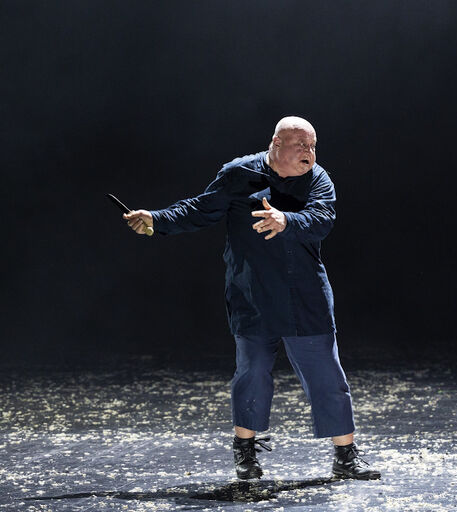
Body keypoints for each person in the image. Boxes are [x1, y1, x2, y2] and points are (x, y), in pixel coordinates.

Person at [123, 116, 380, 481]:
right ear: (276, 143)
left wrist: (286, 221)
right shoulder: (239, 174)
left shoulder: (319, 179)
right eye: (301, 145)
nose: (309, 153)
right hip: (253, 293)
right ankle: (245, 453)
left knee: (326, 374)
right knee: (252, 373)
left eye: (312, 146)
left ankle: (345, 456)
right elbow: (200, 208)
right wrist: (155, 219)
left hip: (304, 295)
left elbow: (322, 219)